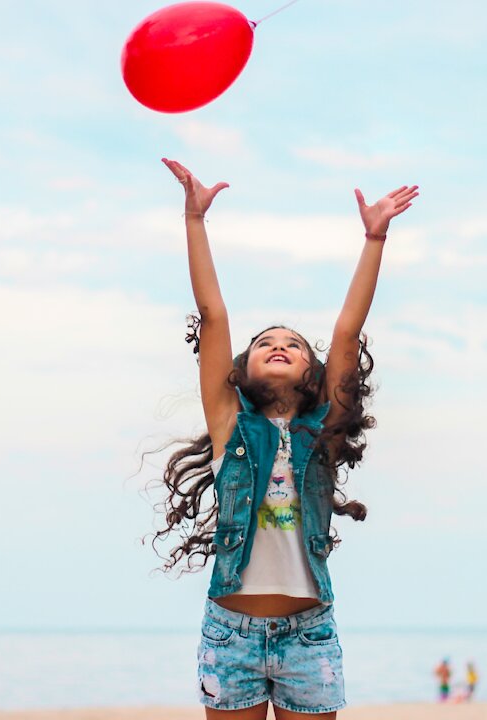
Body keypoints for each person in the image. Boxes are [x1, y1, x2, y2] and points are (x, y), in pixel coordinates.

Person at [151, 158, 418, 719]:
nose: (279, 345)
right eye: (265, 342)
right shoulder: (232, 427)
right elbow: (213, 315)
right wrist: (194, 220)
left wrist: (374, 237)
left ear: (314, 374)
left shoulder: (322, 432)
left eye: (294, 345)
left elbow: (347, 330)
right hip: (230, 633)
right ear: (242, 370)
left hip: (309, 634)